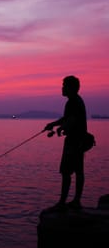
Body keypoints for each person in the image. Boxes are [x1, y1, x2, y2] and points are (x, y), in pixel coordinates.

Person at [45, 75, 87, 210]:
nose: (62, 88)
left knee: (66, 171)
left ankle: (63, 202)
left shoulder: (73, 101)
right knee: (78, 170)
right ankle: (76, 201)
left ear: (71, 88)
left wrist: (62, 128)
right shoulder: (75, 100)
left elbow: (72, 119)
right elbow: (67, 118)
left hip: (74, 141)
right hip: (79, 140)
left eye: (64, 86)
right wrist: (54, 124)